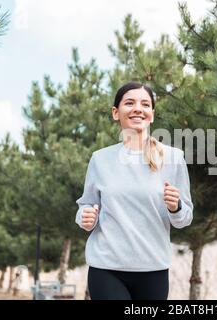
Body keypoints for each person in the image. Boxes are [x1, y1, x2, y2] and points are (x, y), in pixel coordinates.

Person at [75, 82, 193, 300]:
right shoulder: (100, 159)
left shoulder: (173, 158)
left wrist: (175, 206)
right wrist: (86, 217)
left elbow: (184, 219)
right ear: (115, 112)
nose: (138, 108)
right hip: (106, 268)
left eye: (145, 104)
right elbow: (85, 206)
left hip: (153, 269)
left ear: (152, 114)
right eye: (129, 103)